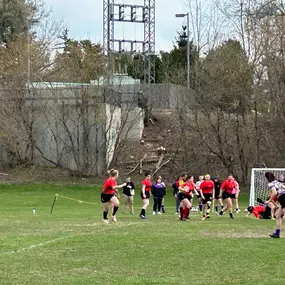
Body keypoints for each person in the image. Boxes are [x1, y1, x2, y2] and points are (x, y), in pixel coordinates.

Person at [265, 172, 285, 238]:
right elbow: (284, 187)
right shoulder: (277, 182)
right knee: (277, 215)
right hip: (282, 198)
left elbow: (274, 192)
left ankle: (277, 233)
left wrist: (269, 200)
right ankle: (277, 233)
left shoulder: (270, 184)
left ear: (267, 178)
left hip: (283, 198)